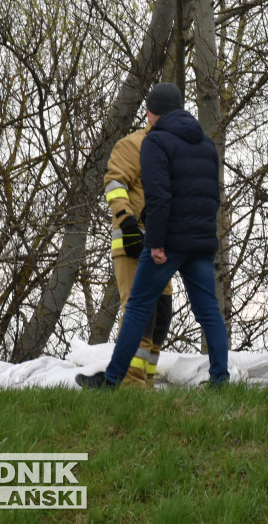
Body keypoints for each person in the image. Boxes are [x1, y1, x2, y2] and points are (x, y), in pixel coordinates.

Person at [77, 83, 229, 389]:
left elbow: (160, 198)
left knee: (139, 309)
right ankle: (219, 379)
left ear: (151, 112)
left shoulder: (153, 142)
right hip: (200, 241)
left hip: (163, 239)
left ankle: (115, 379)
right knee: (207, 311)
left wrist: (155, 240)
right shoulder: (204, 144)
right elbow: (211, 196)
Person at [102, 107, 174, 388]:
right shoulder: (132, 145)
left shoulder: (172, 150)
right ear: (149, 114)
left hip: (159, 247)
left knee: (161, 316)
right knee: (139, 313)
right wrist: (126, 221)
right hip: (132, 242)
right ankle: (130, 384)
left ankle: (145, 380)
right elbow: (114, 182)